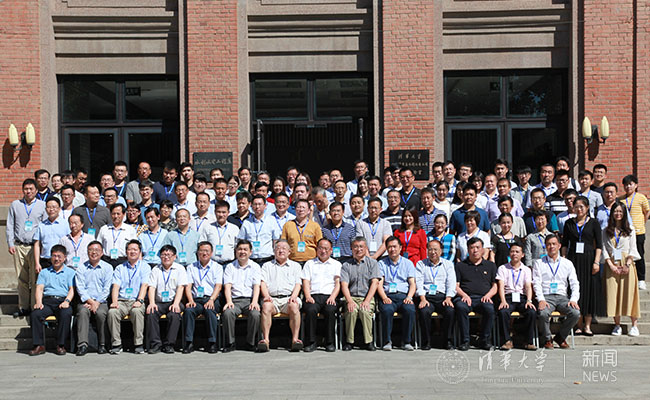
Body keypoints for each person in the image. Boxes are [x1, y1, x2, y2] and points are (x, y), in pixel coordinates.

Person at [561, 196, 603, 336]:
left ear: (587, 208)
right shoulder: (569, 223)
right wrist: (563, 259)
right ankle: (578, 324)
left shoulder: (594, 223)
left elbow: (599, 245)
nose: (579, 209)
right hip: (573, 260)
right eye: (576, 207)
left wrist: (596, 262)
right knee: (575, 289)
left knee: (588, 291)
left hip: (589, 259)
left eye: (581, 207)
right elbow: (565, 244)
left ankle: (587, 326)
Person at [7, 179, 47, 317]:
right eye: (26, 189)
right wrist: (10, 243)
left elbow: (45, 226)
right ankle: (23, 307)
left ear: (36, 190)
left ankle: (34, 305)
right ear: (22, 190)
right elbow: (10, 225)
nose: (28, 191)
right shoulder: (15, 205)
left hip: (35, 247)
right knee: (21, 278)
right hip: (19, 246)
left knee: (35, 278)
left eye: (31, 189)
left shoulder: (42, 205)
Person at [533, 233, 580, 349]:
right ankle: (547, 339)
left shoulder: (567, 263)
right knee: (543, 313)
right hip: (546, 296)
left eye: (554, 244)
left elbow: (574, 283)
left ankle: (560, 337)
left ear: (559, 246)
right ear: (545, 246)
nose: (551, 246)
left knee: (575, 313)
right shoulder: (539, 263)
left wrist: (574, 299)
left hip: (562, 297)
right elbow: (536, 283)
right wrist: (541, 299)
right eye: (549, 244)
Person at [602, 202, 641, 336]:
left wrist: (627, 265)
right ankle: (617, 324)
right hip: (612, 265)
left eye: (620, 211)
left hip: (627, 263)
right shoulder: (606, 231)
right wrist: (611, 265)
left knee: (629, 294)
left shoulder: (630, 230)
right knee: (613, 294)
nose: (618, 214)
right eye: (615, 211)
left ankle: (634, 325)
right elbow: (604, 250)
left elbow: (633, 249)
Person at [28, 245, 75, 356]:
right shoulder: (44, 272)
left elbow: (72, 289)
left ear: (65, 258)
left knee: (66, 313)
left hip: (62, 301)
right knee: (36, 314)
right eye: (54, 256)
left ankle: (61, 344)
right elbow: (39, 288)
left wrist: (67, 301)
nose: (56, 259)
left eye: (59, 256)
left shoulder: (70, 272)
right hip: (47, 301)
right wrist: (38, 302)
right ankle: (39, 345)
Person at [258, 240, 303, 352]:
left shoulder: (295, 266)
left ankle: (295, 340)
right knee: (266, 306)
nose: (281, 250)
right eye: (278, 248)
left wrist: (294, 296)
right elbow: (262, 283)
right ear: (274, 251)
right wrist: (266, 296)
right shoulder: (267, 266)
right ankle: (266, 340)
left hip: (289, 297)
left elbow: (298, 284)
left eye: (284, 248)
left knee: (294, 306)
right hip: (272, 298)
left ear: (289, 252)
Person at [107, 240, 151, 354]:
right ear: (126, 252)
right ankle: (116, 344)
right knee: (112, 312)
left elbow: (144, 285)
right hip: (122, 301)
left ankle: (138, 343)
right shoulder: (119, 268)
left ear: (140, 252)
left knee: (137, 311)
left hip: (136, 300)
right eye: (130, 249)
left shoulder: (145, 267)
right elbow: (115, 286)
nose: (132, 252)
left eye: (135, 249)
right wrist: (114, 302)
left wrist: (140, 300)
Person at [454, 237, 497, 351]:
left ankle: (484, 340)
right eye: (472, 248)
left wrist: (488, 295)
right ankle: (465, 341)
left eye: (478, 247)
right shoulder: (460, 265)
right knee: (460, 307)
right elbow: (456, 286)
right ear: (468, 250)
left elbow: (495, 286)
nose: (475, 250)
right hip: (465, 297)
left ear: (483, 249)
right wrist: (464, 295)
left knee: (489, 309)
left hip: (483, 298)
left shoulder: (490, 265)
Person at [145, 244, 188, 354]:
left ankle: (169, 344)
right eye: (163, 255)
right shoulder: (156, 269)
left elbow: (180, 288)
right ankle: (155, 344)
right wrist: (152, 303)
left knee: (174, 314)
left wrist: (176, 303)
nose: (166, 257)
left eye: (169, 255)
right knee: (151, 312)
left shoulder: (180, 269)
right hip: (159, 302)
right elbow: (151, 287)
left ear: (174, 257)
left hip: (173, 301)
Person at [340, 237, 381, 351]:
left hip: (367, 297)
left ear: (366, 248)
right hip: (351, 297)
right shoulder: (346, 265)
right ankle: (349, 341)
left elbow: (375, 283)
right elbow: (344, 285)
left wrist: (367, 301)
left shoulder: (372, 263)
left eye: (361, 246)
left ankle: (369, 341)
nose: (358, 249)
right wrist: (349, 301)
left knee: (364, 311)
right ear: (351, 248)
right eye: (355, 247)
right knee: (351, 311)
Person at [301, 238, 341, 352]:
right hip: (313, 296)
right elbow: (306, 282)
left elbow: (337, 284)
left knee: (330, 310)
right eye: (321, 248)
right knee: (310, 310)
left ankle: (329, 342)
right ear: (316, 249)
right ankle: (311, 342)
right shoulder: (309, 264)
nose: (323, 251)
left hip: (330, 296)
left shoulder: (336, 264)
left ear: (331, 250)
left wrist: (333, 297)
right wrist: (307, 296)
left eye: (326, 249)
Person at [377, 237, 417, 351]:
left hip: (404, 296)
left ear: (400, 248)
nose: (392, 249)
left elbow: (412, 284)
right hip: (388, 296)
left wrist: (409, 297)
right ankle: (387, 341)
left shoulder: (408, 263)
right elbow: (379, 284)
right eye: (389, 247)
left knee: (410, 310)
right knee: (387, 310)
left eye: (394, 246)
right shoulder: (381, 263)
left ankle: (406, 341)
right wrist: (384, 297)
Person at [222, 240, 262, 352]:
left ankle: (250, 342)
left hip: (249, 300)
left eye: (245, 249)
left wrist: (255, 302)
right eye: (240, 249)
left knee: (255, 314)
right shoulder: (230, 267)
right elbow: (227, 286)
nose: (242, 252)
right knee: (228, 313)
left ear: (250, 252)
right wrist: (229, 301)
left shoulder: (255, 266)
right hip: (234, 301)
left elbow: (256, 286)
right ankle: (231, 343)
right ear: (235, 251)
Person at [183, 241, 223, 353]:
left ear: (211, 253)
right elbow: (188, 286)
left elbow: (218, 286)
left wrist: (211, 300)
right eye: (201, 251)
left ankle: (212, 342)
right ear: (197, 253)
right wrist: (190, 300)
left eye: (207, 251)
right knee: (189, 310)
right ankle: (188, 342)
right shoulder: (191, 267)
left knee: (210, 310)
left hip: (212, 298)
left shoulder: (217, 267)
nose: (204, 253)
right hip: (196, 300)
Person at [415, 239, 456, 350]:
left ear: (441, 251)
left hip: (443, 296)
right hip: (427, 297)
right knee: (424, 311)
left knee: (450, 311)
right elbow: (419, 282)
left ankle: (447, 341)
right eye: (430, 249)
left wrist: (448, 298)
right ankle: (426, 342)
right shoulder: (421, 264)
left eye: (435, 249)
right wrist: (422, 298)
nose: (433, 252)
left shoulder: (448, 264)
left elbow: (451, 282)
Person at [74, 241, 113, 356]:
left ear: (102, 253)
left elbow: (107, 289)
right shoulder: (81, 268)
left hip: (102, 301)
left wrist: (97, 302)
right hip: (86, 301)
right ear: (87, 252)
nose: (94, 252)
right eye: (91, 250)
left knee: (101, 313)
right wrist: (91, 302)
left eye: (97, 250)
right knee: (82, 312)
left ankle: (102, 344)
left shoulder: (108, 267)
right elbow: (80, 288)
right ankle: (82, 345)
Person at [496, 243, 537, 350]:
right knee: (503, 312)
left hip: (522, 297)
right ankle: (507, 341)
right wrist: (503, 301)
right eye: (512, 251)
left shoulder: (526, 269)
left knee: (531, 312)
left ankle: (528, 341)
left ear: (522, 254)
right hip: (508, 297)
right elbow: (501, 286)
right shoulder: (502, 268)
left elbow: (528, 287)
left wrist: (529, 300)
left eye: (517, 252)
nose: (514, 254)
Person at [621, 175, 650, 290]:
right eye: (626, 184)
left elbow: (647, 212)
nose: (628, 186)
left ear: (636, 185)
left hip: (638, 232)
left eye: (630, 184)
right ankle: (629, 277)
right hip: (625, 233)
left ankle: (641, 279)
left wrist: (642, 223)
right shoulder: (621, 199)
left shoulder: (641, 197)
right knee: (626, 255)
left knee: (639, 255)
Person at [238, 195, 281, 265]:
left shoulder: (271, 220)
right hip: (251, 260)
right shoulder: (247, 222)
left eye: (259, 204)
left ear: (265, 206)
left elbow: (275, 240)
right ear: (251, 206)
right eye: (255, 204)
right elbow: (241, 240)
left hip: (268, 260)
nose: (257, 207)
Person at [33, 198, 69, 274]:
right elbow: (37, 245)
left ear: (59, 209)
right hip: (45, 260)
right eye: (49, 207)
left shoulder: (65, 224)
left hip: (61, 261)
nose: (51, 209)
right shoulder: (41, 225)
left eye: (54, 207)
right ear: (46, 209)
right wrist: (37, 263)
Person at [281, 199, 322, 264]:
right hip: (292, 261)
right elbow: (283, 244)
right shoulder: (288, 225)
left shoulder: (315, 226)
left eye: (303, 207)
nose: (301, 210)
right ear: (295, 209)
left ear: (309, 211)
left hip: (311, 262)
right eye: (299, 207)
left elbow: (320, 245)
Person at [201, 200, 240, 265]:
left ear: (228, 212)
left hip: (229, 264)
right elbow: (203, 246)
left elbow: (237, 247)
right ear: (215, 212)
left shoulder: (234, 228)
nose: (221, 215)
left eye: (224, 212)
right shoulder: (208, 227)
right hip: (212, 264)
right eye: (218, 212)